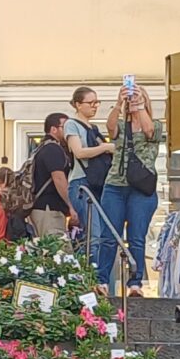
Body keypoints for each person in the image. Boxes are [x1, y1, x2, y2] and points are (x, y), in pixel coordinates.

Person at [101, 83, 163, 292]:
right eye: (133, 99)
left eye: (140, 98)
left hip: (141, 188)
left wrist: (139, 107)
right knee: (110, 236)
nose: (135, 102)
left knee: (136, 237)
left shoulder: (155, 124)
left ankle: (135, 283)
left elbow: (149, 130)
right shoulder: (121, 124)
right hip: (115, 185)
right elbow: (110, 129)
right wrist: (119, 104)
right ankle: (102, 280)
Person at [61, 84, 114, 257]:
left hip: (96, 183)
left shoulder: (94, 128)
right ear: (78, 104)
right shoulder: (71, 124)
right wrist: (105, 147)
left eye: (97, 102)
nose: (95, 106)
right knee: (93, 235)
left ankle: (95, 274)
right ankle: (88, 274)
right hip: (81, 184)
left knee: (99, 235)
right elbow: (79, 152)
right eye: (90, 102)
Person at [24, 112, 75, 240]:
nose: (69, 131)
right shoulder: (53, 149)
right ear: (54, 129)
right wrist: (71, 205)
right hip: (49, 210)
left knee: (47, 250)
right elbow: (58, 178)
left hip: (41, 209)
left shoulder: (41, 148)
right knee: (58, 251)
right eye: (65, 127)